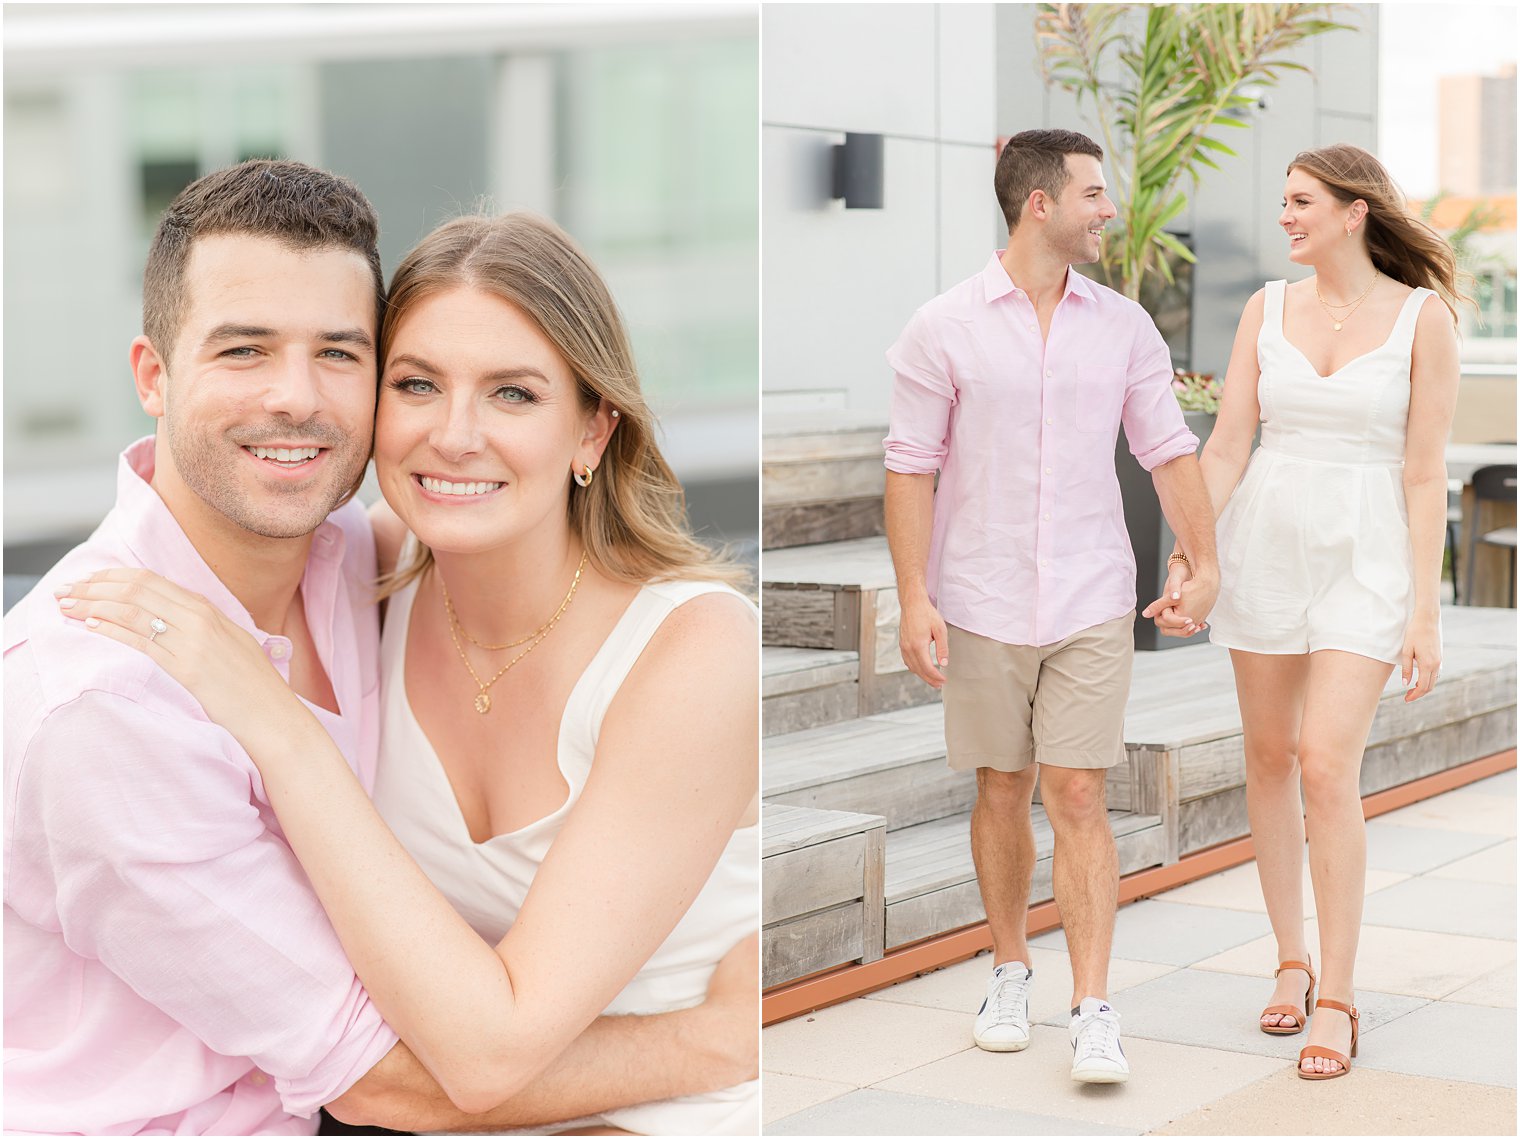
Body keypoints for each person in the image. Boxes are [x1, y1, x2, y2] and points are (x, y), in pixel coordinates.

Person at [5, 160, 756, 1137]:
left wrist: (277, 722)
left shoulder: (358, 563)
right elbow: (377, 1081)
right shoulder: (101, 702)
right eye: (243, 350)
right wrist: (708, 1038)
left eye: (339, 354)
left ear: (592, 429)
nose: (294, 397)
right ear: (152, 373)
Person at [883, 128, 1218, 1085]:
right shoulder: (941, 327)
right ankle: (1007, 967)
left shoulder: (1123, 327)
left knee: (1077, 790)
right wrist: (915, 597)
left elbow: (1168, 448)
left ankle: (1094, 1005)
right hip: (981, 596)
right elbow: (911, 468)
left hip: (1090, 595)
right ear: (1041, 204)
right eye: (1093, 195)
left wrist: (1205, 559)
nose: (1108, 210)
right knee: (1001, 785)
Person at [1147, 144, 1461, 1080]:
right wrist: (1193, 553)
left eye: (1300, 202)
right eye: (1283, 201)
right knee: (1270, 756)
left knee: (1329, 763)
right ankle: (1290, 957)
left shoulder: (1422, 318)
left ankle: (1339, 994)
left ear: (1354, 211)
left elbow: (1423, 470)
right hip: (1266, 546)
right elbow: (1229, 443)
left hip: (1366, 553)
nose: (1284, 217)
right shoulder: (1263, 310)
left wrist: (1426, 611)